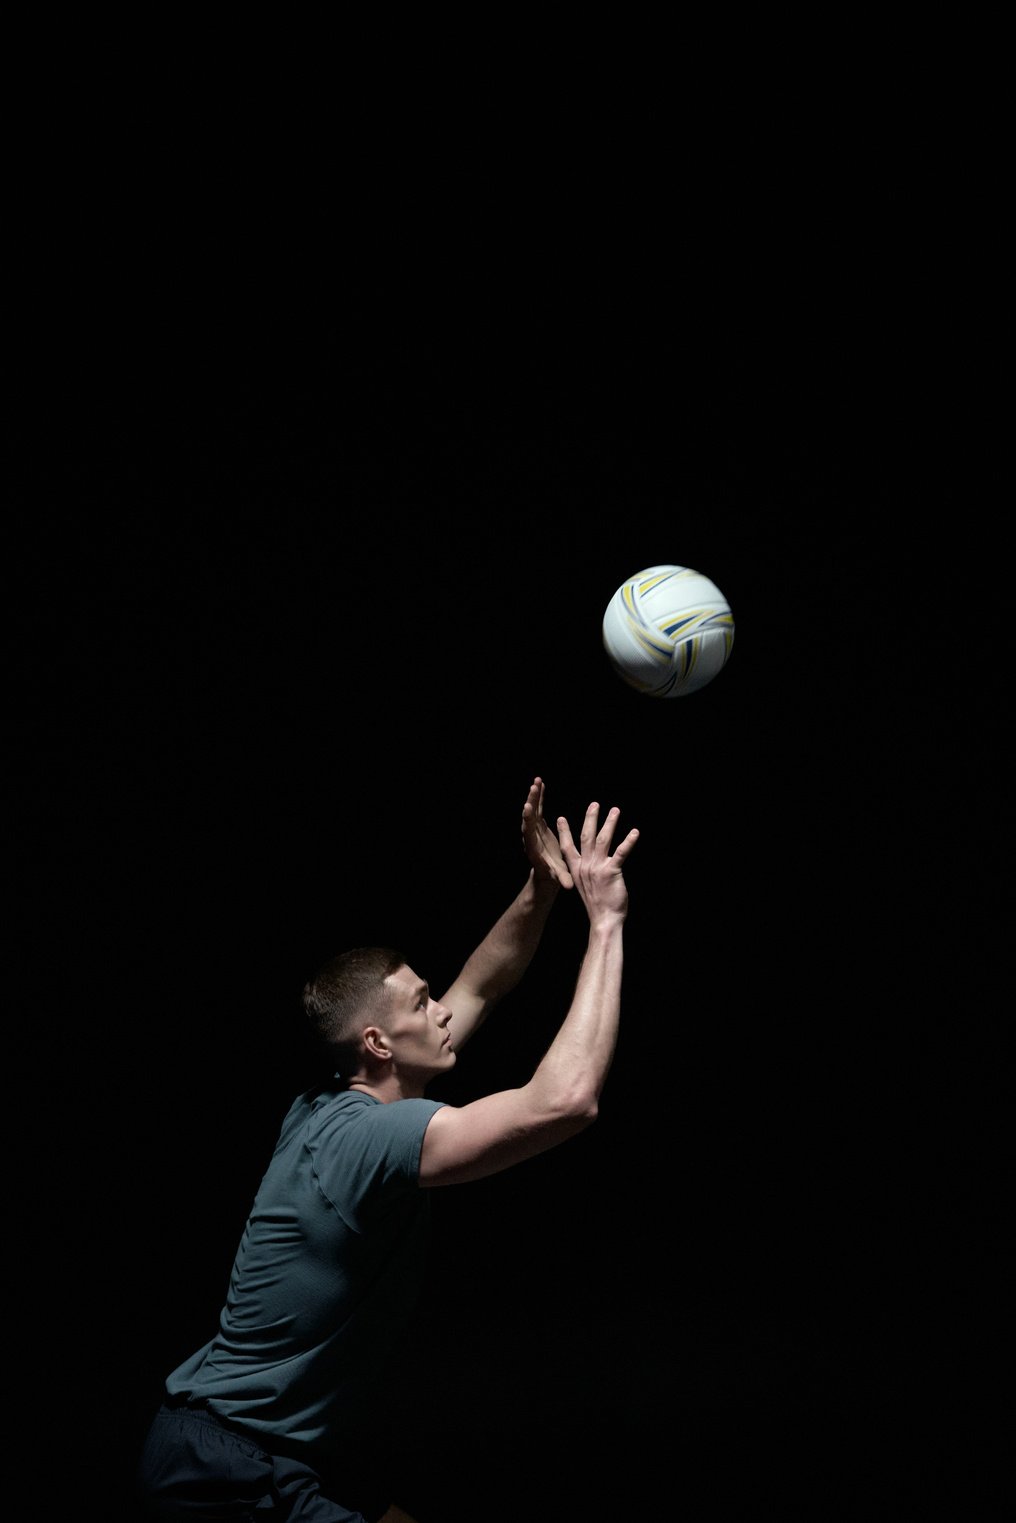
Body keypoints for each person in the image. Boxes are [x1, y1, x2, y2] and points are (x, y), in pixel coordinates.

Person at [137, 777, 639, 1521]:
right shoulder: (370, 1138)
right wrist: (604, 923)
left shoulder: (338, 1107)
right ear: (377, 1041)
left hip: (258, 1452)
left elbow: (486, 984)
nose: (444, 1010)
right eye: (420, 1002)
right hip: (224, 1469)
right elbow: (564, 1101)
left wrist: (541, 887)